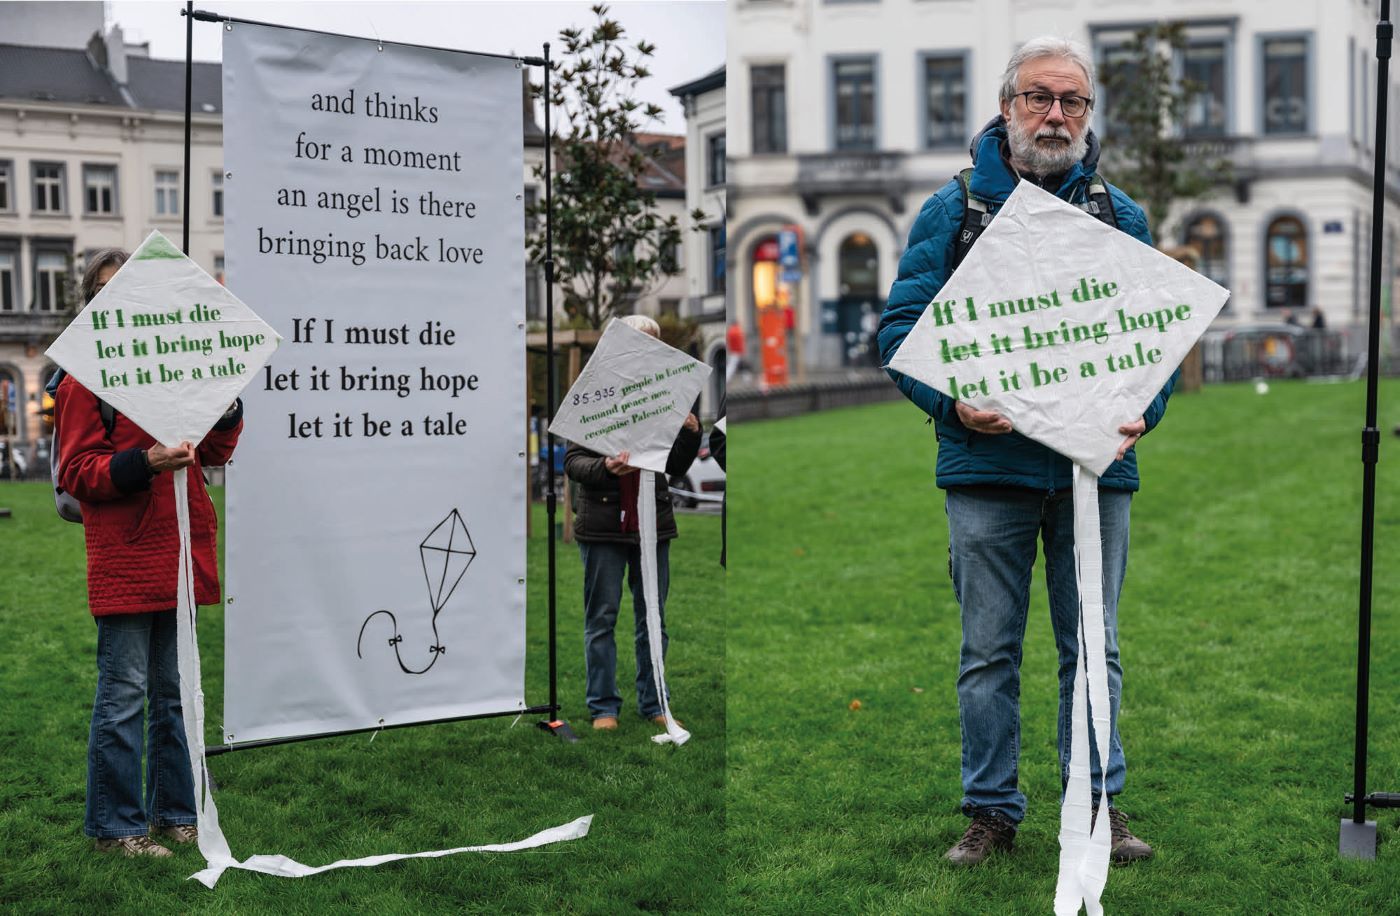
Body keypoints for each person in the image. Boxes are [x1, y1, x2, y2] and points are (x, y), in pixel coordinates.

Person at [878, 37, 1167, 867]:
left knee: (1094, 654)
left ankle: (1096, 806)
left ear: (1086, 115)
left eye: (1071, 101)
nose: (1055, 115)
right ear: (1008, 108)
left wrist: (1142, 410)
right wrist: (954, 403)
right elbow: (902, 331)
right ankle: (991, 813)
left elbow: (1155, 343)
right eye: (1038, 98)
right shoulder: (955, 209)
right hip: (987, 472)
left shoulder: (1121, 215)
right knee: (986, 655)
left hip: (1091, 474)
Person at [55, 248, 243, 857]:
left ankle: (173, 814)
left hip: (179, 547)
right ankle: (115, 828)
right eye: (108, 291)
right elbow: (77, 470)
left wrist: (230, 405)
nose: (121, 299)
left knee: (173, 692)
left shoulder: (176, 360)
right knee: (124, 696)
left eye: (130, 287)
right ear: (93, 307)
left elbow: (212, 451)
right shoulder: (88, 378)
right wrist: (146, 462)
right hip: (127, 556)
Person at [564, 314, 702, 731]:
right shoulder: (595, 394)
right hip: (603, 525)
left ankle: (655, 700)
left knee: (653, 618)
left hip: (652, 524)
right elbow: (573, 461)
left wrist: (691, 433)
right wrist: (605, 467)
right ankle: (603, 707)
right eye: (640, 342)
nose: (648, 350)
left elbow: (674, 467)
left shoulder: (668, 391)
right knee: (601, 618)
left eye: (654, 344)